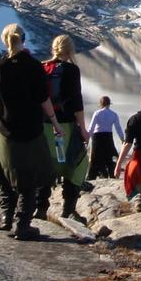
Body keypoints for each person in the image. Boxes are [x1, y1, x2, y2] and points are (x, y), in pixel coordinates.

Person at [0, 23, 58, 240]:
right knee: (29, 179)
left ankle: (6, 218)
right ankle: (23, 224)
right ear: (24, 38)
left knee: (5, 175)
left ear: (4, 40)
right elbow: (43, 99)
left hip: (6, 129)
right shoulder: (34, 66)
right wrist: (55, 123)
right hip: (31, 130)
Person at [36, 34, 90, 223]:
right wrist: (83, 128)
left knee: (45, 164)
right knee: (76, 164)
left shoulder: (42, 68)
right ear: (70, 50)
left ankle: (40, 207)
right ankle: (68, 210)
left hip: (43, 125)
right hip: (65, 124)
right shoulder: (71, 70)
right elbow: (76, 101)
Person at [87, 95, 124, 179]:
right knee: (109, 157)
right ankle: (112, 175)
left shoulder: (97, 113)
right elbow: (118, 128)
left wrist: (87, 139)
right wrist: (122, 139)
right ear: (109, 104)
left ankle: (91, 176)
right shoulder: (114, 114)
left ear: (101, 104)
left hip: (97, 137)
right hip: (108, 137)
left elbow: (91, 128)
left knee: (95, 158)